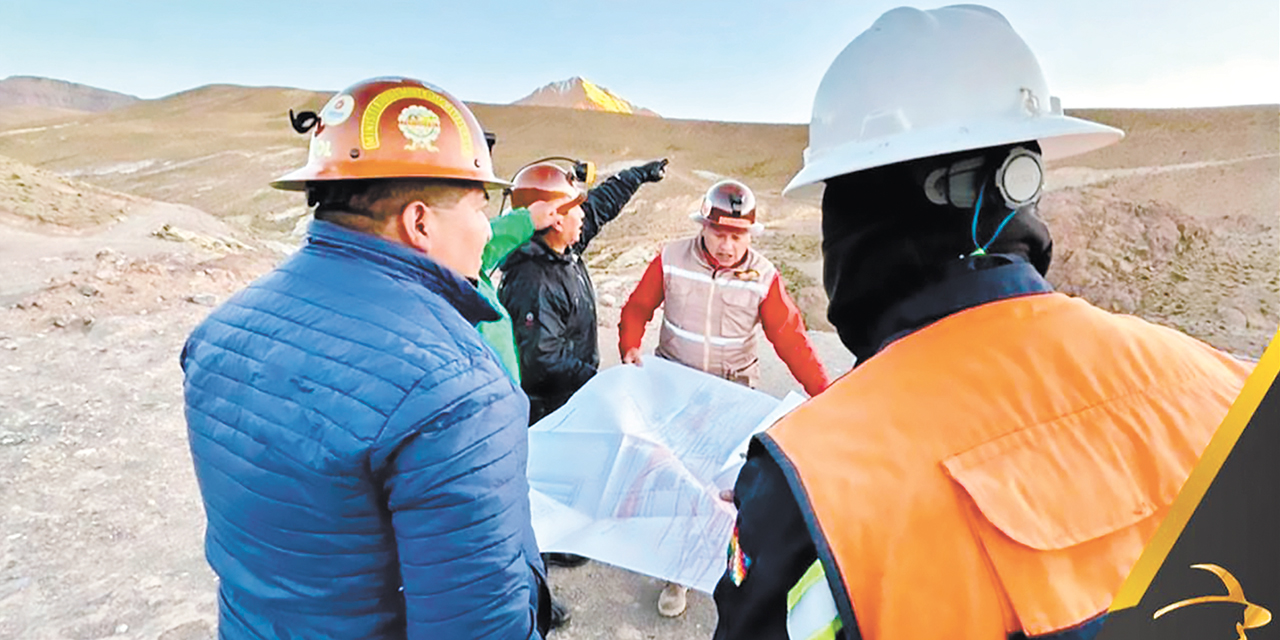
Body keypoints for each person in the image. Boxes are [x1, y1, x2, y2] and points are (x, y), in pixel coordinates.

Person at [712, 7, 1254, 640]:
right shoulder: (1235, 390)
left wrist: (777, 514)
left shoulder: (811, 482)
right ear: (1020, 186)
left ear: (856, 212)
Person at [181, 77, 550, 639]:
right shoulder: (460, 393)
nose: (487, 230)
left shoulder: (218, 333)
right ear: (420, 222)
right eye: (480, 207)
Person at [617, 178, 832, 617]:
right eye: (720, 234)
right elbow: (637, 308)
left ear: (750, 234)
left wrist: (824, 393)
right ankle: (676, 574)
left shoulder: (764, 277)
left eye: (738, 236)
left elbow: (790, 339)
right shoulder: (670, 259)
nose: (728, 245)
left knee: (728, 488)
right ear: (704, 226)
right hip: (674, 391)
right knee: (678, 482)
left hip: (730, 397)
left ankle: (725, 565)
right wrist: (630, 345)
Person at [498, 158, 668, 424]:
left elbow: (601, 205)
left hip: (572, 398)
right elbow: (544, 361)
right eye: (577, 207)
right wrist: (601, 383)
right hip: (550, 414)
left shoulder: (562, 249)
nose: (583, 214)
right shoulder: (533, 281)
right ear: (555, 221)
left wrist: (636, 175)